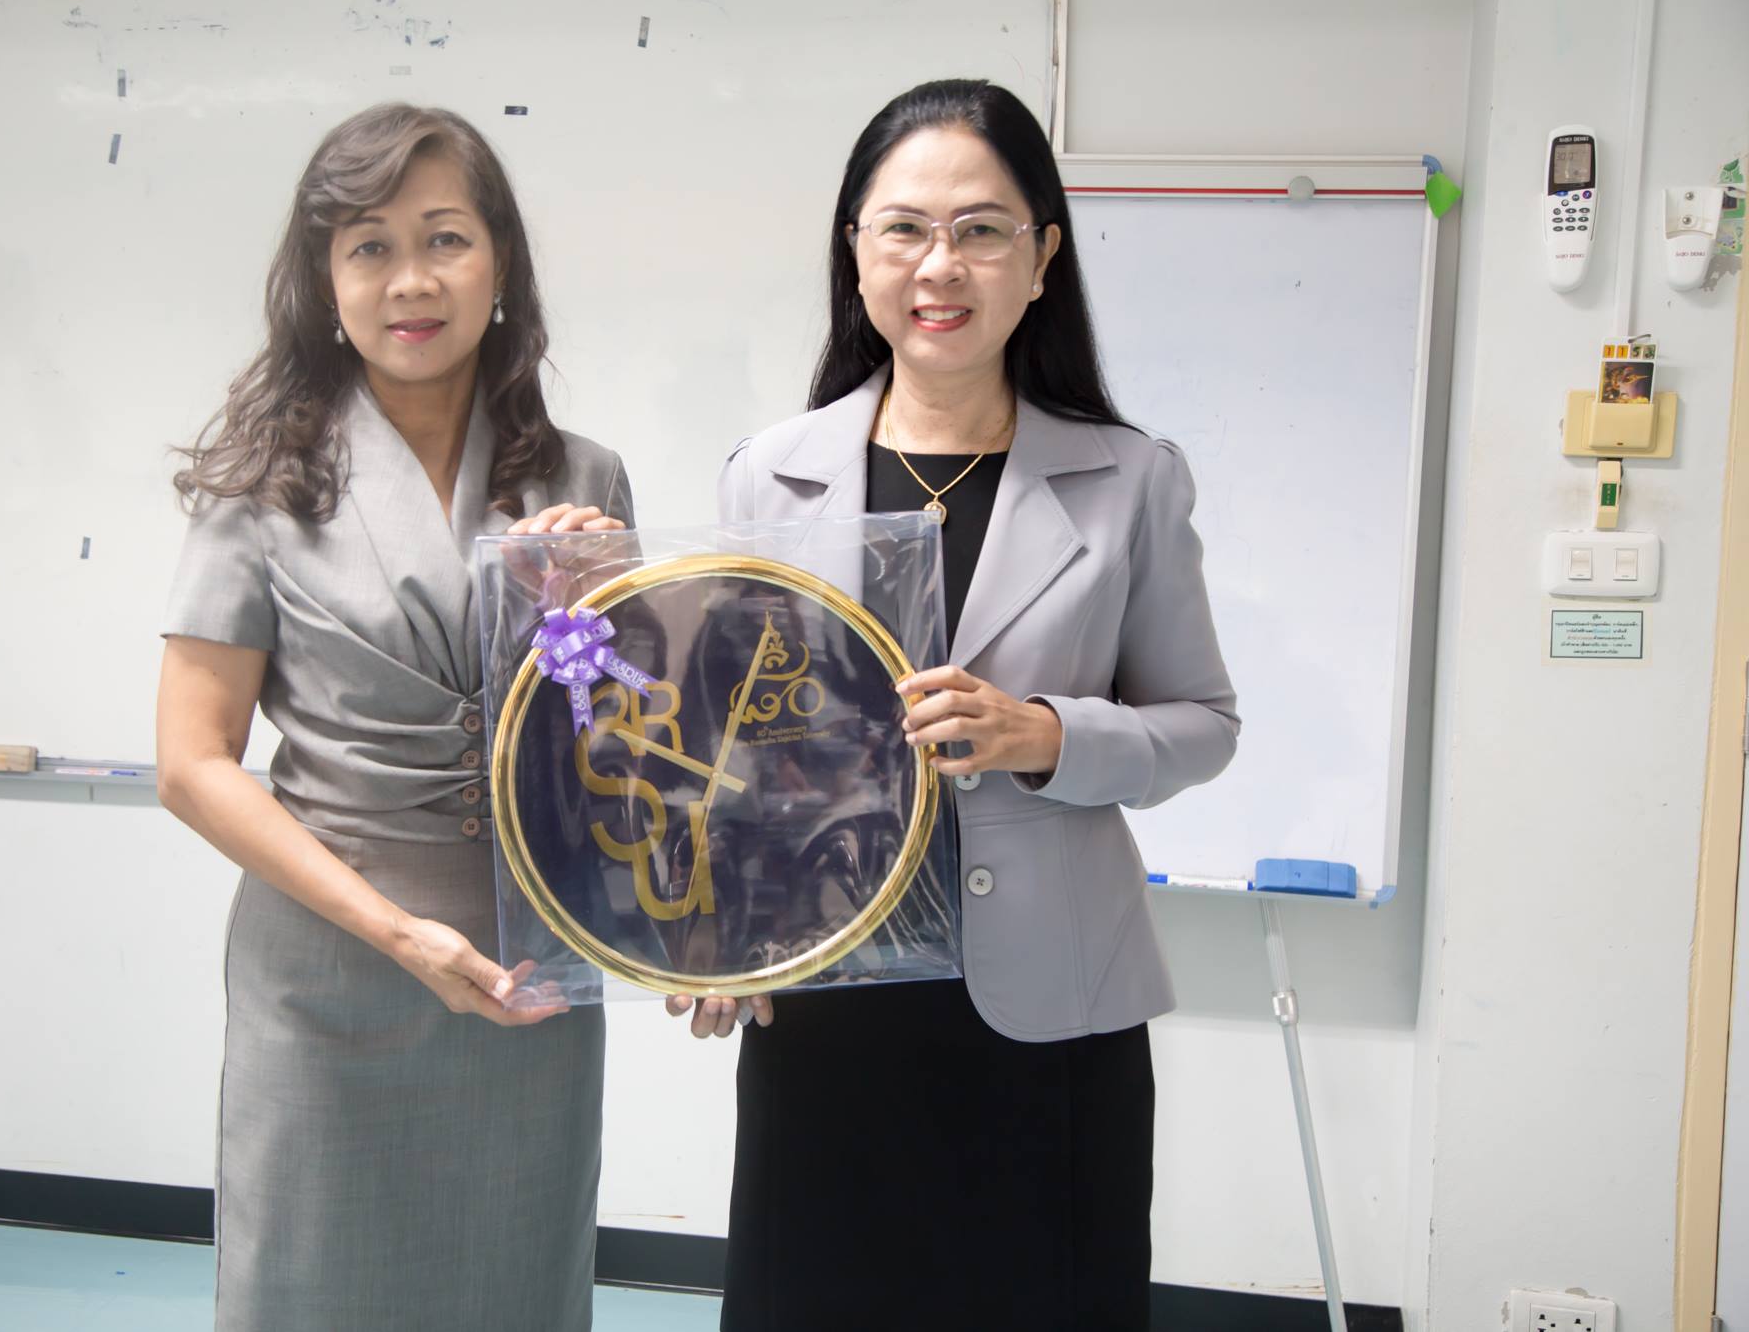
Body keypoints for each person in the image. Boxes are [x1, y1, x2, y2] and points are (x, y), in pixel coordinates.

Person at [680, 79, 1240, 1329]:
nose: (940, 266)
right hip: (827, 1002)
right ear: (855, 254)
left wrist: (1046, 735)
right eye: (903, 229)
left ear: (1040, 259)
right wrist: (712, 927)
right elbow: (730, 748)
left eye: (981, 230)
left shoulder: (1128, 479)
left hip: (1048, 1014)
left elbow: (1202, 724)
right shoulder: (770, 475)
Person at [156, 102, 631, 1331]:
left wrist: (596, 617)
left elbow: (615, 748)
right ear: (324, 281)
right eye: (368, 246)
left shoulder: (582, 479)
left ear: (499, 263)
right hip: (331, 961)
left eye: (444, 239)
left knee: (513, 1286)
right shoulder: (257, 485)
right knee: (312, 1286)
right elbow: (191, 765)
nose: (409, 280)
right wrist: (396, 933)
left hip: (527, 960)